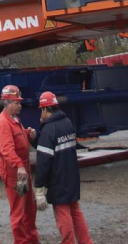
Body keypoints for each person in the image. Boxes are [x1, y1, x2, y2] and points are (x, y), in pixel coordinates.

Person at [33, 91, 92, 244]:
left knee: (62, 213)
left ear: (46, 109)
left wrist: (39, 188)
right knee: (75, 211)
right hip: (71, 176)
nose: (41, 113)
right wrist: (36, 140)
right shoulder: (67, 123)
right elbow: (56, 148)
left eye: (41, 110)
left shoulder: (48, 130)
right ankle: (86, 241)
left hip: (57, 180)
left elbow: (44, 162)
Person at [0, 84, 39, 244]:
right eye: (17, 103)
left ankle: (32, 240)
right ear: (8, 102)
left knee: (30, 209)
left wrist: (28, 133)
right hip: (15, 174)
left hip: (22, 172)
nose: (20, 106)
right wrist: (19, 165)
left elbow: (17, 137)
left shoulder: (13, 119)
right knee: (19, 213)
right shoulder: (3, 123)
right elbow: (7, 150)